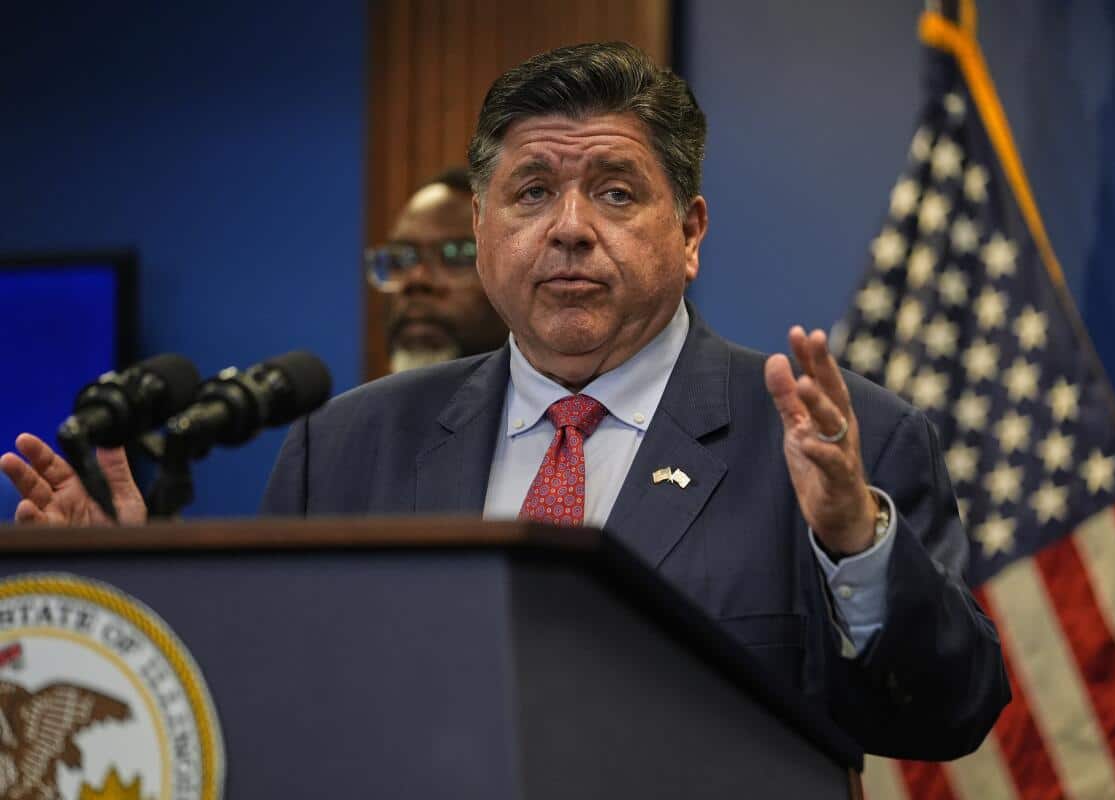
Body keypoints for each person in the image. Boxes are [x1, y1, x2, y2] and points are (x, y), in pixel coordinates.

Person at [1, 42, 1008, 759]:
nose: (569, 229)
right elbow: (275, 707)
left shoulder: (843, 438)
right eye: (531, 193)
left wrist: (854, 539)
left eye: (615, 191)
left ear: (690, 230)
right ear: (483, 227)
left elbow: (945, 718)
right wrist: (131, 589)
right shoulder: (345, 444)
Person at [366, 166, 509, 373]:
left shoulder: (560, 403)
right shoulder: (365, 405)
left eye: (456, 256)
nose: (416, 280)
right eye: (400, 258)